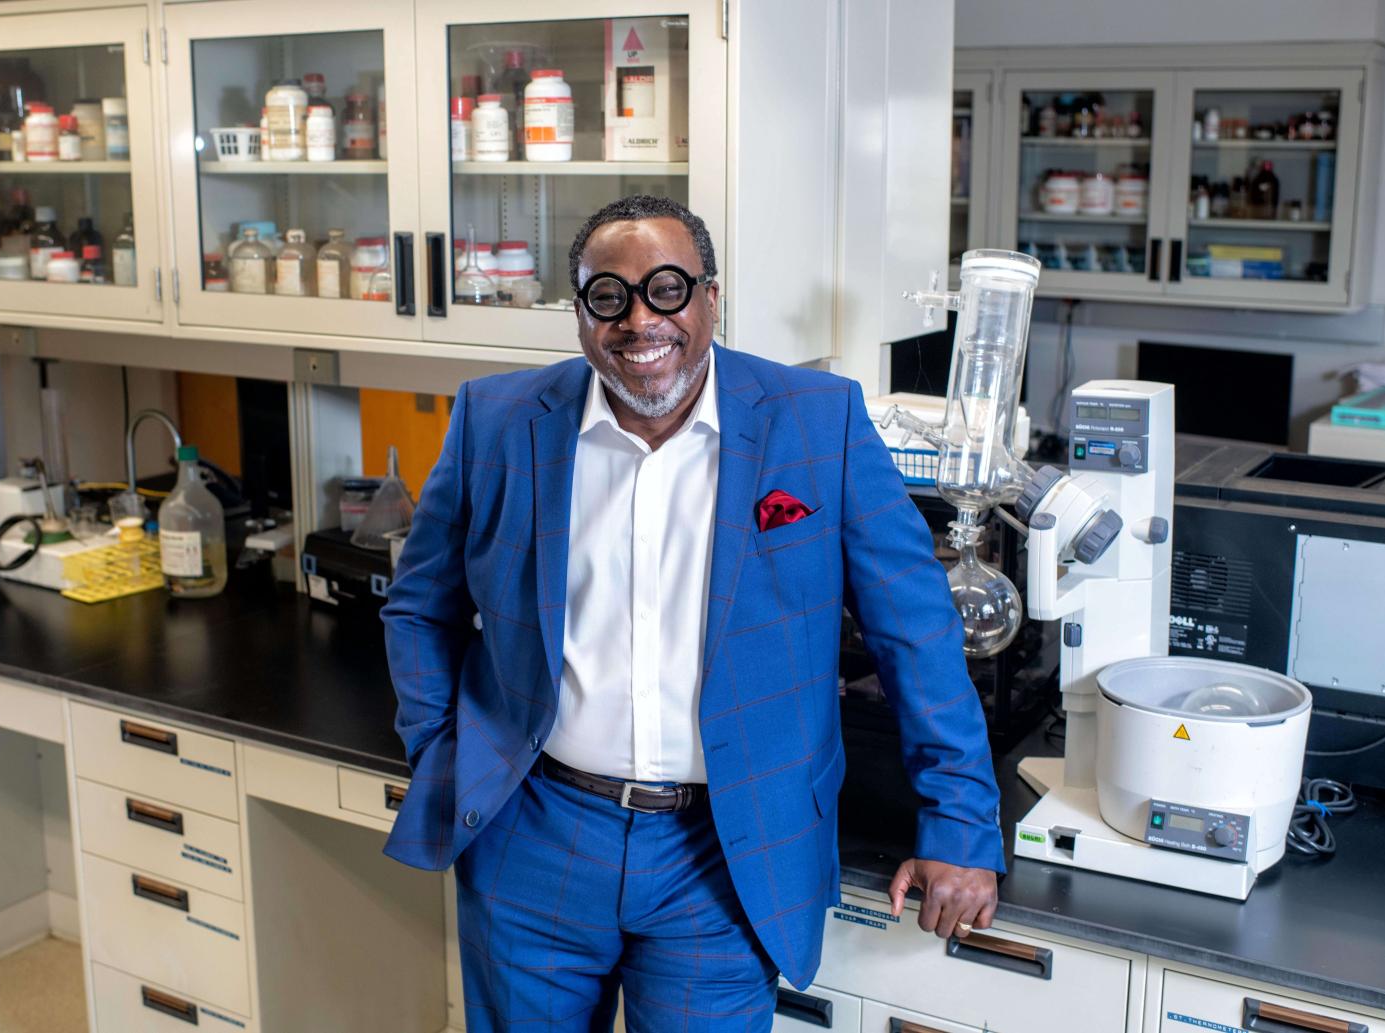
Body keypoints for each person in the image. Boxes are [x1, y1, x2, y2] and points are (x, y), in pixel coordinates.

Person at [381, 195, 1003, 1032]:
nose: (641, 321)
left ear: (711, 297)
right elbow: (419, 606)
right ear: (580, 315)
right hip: (533, 837)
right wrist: (440, 749)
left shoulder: (820, 423)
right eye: (610, 296)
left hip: (724, 854)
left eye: (668, 289)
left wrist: (960, 822)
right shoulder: (496, 421)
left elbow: (917, 634)